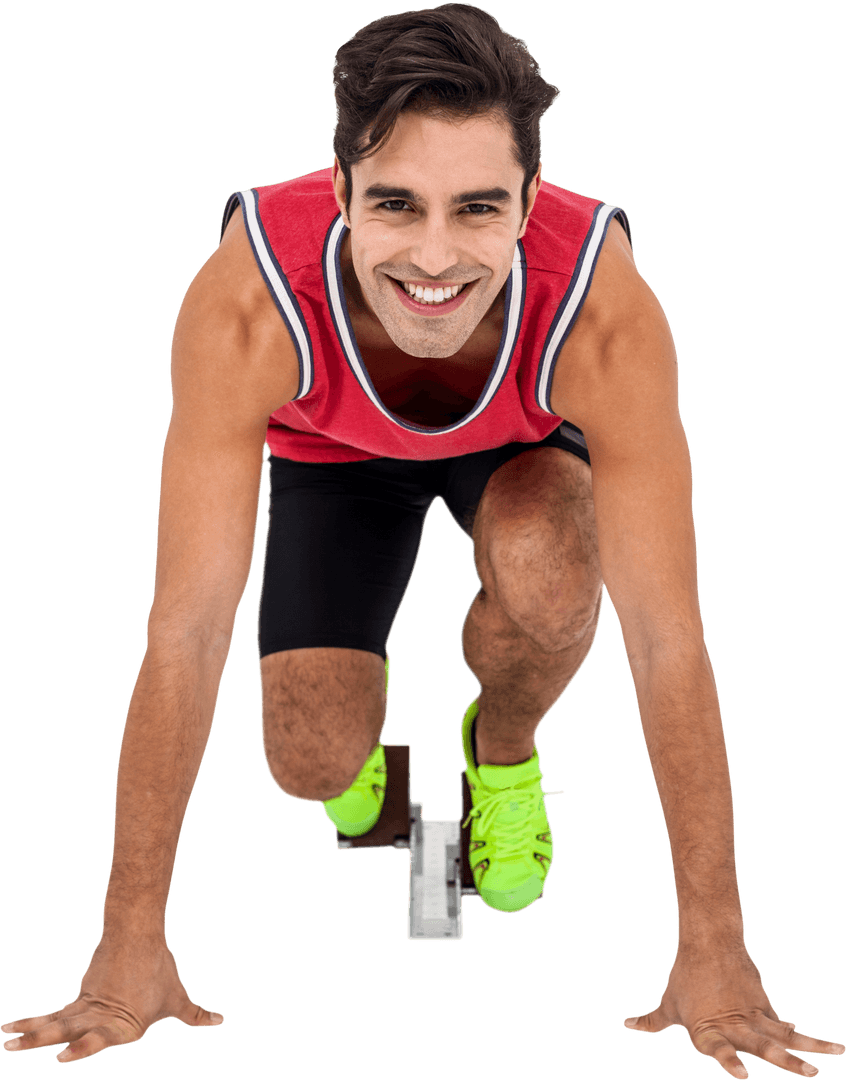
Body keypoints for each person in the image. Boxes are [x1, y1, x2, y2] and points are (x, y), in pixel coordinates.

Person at [3, 4, 842, 1074]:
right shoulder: (249, 299)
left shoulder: (603, 311)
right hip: (331, 457)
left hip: (521, 454)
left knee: (551, 570)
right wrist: (127, 945)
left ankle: (503, 753)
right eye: (396, 203)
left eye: (479, 207)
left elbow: (670, 640)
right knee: (309, 761)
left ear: (530, 204)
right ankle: (378, 783)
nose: (435, 257)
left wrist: (716, 950)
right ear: (341, 190)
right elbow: (185, 630)